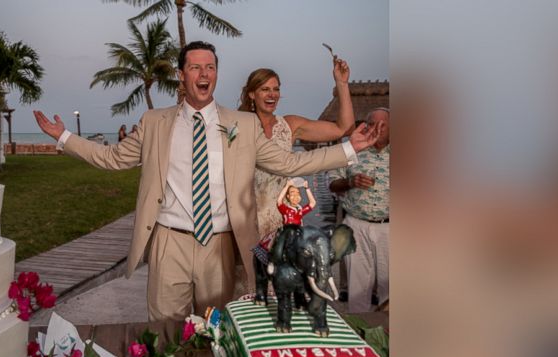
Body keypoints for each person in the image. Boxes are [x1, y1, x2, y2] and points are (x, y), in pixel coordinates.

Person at [33, 41, 378, 321]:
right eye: (195, 67)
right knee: (166, 328)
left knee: (217, 326)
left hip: (220, 245)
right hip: (169, 243)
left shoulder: (242, 124)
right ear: (182, 76)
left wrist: (348, 149)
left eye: (210, 67)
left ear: (216, 75)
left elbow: (289, 162)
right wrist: (63, 136)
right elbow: (112, 158)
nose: (203, 73)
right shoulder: (155, 122)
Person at [239, 57, 357, 274]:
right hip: (242, 222)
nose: (272, 94)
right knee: (246, 288)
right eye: (265, 89)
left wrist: (341, 84)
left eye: (276, 89)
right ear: (251, 94)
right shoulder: (237, 125)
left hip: (281, 222)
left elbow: (344, 128)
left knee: (281, 287)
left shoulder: (290, 125)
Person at [327, 107, 390, 313]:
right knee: (357, 288)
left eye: (382, 124)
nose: (376, 128)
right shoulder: (352, 150)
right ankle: (361, 330)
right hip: (355, 225)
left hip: (390, 228)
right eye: (371, 123)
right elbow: (332, 184)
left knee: (391, 288)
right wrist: (351, 181)